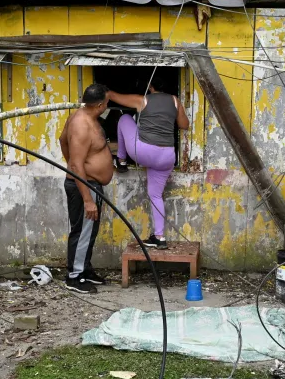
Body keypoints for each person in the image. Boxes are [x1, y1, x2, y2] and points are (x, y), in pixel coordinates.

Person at [108, 77, 189, 249]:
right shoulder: (175, 100)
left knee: (124, 119)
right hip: (167, 156)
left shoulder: (142, 99)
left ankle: (121, 160)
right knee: (156, 196)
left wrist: (101, 91)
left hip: (143, 152)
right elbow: (184, 125)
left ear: (150, 86)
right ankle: (160, 237)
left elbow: (113, 96)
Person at [59, 83, 113, 293]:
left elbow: (62, 140)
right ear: (100, 104)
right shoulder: (81, 125)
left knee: (89, 231)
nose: (108, 105)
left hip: (90, 183)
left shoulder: (84, 117)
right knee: (82, 231)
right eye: (107, 102)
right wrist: (88, 199)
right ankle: (74, 276)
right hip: (85, 186)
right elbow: (76, 163)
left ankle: (85, 268)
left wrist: (73, 162)